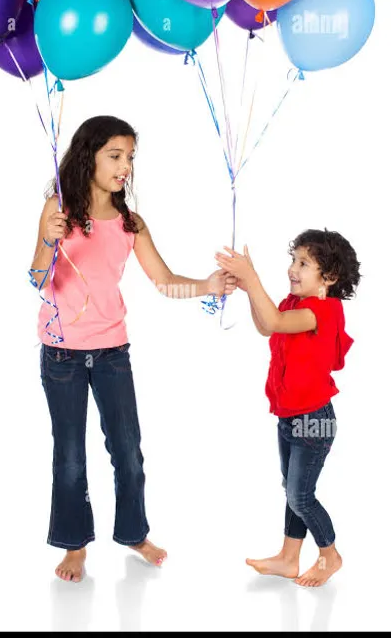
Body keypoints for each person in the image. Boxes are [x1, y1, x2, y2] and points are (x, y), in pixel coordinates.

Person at [29, 115, 237, 583]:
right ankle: (74, 545)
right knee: (70, 453)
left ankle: (133, 533)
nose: (126, 167)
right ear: (90, 155)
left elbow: (164, 282)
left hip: (111, 353)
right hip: (61, 354)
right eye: (116, 156)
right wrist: (49, 241)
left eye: (131, 158)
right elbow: (37, 280)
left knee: (127, 449)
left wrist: (206, 285)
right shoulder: (57, 209)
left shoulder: (130, 222)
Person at [215, 229, 361, 587]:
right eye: (293, 261)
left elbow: (277, 323)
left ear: (329, 277)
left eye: (303, 263)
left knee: (300, 495)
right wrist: (250, 289)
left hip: (314, 420)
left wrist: (252, 278)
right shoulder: (294, 304)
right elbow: (267, 326)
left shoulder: (322, 311)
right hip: (290, 417)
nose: (292, 269)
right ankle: (288, 557)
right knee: (292, 489)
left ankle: (330, 554)